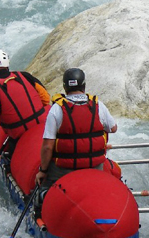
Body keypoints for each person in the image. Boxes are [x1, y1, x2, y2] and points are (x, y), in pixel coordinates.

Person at [34, 67, 118, 201]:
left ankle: (43, 201)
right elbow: (113, 128)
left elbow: (48, 147)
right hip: (94, 167)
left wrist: (43, 171)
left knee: (44, 186)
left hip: (63, 170)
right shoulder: (98, 105)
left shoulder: (57, 109)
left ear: (65, 87)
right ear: (83, 85)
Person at [0, 49, 51, 163]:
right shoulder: (26, 76)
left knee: (9, 157)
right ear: (7, 64)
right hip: (44, 129)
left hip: (19, 138)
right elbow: (46, 99)